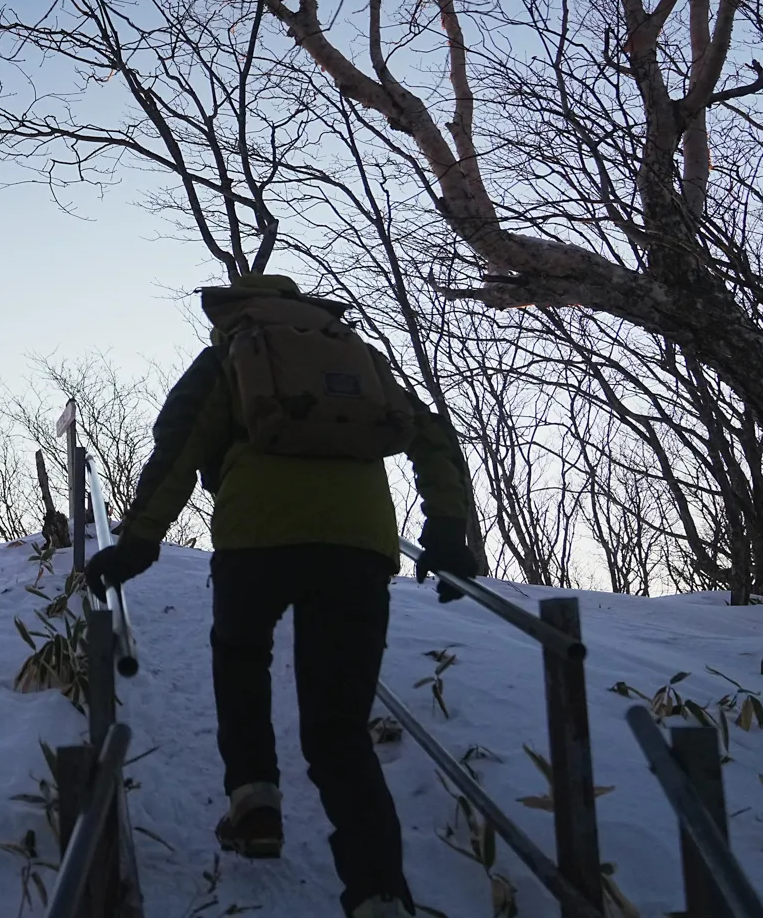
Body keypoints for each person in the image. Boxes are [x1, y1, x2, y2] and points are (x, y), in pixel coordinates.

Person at [83, 274, 480, 918]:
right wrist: (443, 526)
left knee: (240, 659)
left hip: (256, 543)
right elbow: (430, 434)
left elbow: (178, 447)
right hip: (356, 549)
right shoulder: (353, 353)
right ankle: (379, 894)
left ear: (234, 310)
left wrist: (138, 543)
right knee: (339, 730)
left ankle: (255, 804)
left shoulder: (228, 357)